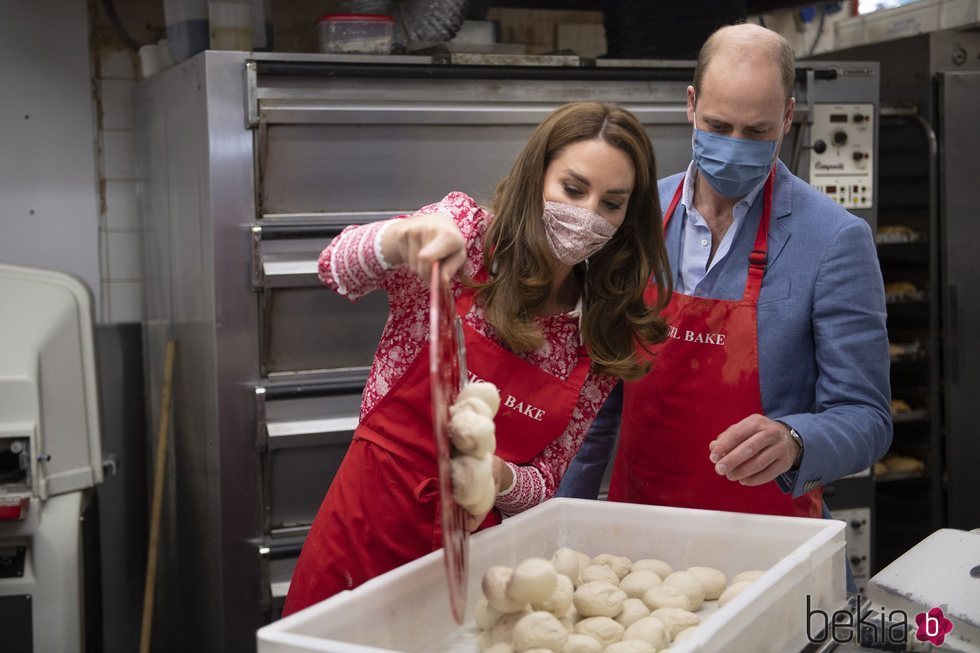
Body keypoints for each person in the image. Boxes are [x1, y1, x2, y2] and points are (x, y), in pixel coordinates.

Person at [283, 101, 673, 616]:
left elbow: (546, 480)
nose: (587, 215)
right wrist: (403, 239)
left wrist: (499, 477)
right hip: (362, 532)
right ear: (537, 177)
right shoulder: (468, 234)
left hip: (471, 560)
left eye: (611, 203)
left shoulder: (599, 329)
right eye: (573, 189)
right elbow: (336, 268)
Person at [558, 24, 892, 523]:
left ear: (787, 116)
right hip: (639, 530)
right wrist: (561, 520)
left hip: (770, 536)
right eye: (718, 126)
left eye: (757, 132)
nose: (735, 146)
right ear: (691, 104)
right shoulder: (635, 215)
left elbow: (867, 418)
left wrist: (796, 440)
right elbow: (597, 404)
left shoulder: (833, 240)